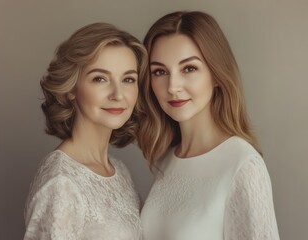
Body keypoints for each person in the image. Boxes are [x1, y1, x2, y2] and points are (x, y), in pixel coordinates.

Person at [137, 11, 280, 240]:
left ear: (215, 74)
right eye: (160, 72)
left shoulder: (242, 165)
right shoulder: (166, 159)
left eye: (189, 68)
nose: (173, 86)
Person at [24, 22, 147, 239]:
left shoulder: (120, 171)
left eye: (128, 79)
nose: (118, 94)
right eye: (100, 78)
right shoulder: (61, 184)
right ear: (72, 89)